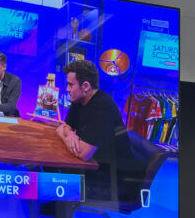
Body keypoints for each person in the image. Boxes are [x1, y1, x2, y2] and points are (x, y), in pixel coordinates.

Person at [56, 59, 143, 203]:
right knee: (53, 166)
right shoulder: (79, 100)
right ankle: (57, 208)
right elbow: (66, 125)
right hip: (97, 166)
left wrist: (62, 134)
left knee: (56, 168)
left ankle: (62, 215)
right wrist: (70, 134)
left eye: (70, 85)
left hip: (113, 180)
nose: (67, 89)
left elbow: (83, 153)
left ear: (85, 86)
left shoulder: (103, 106)